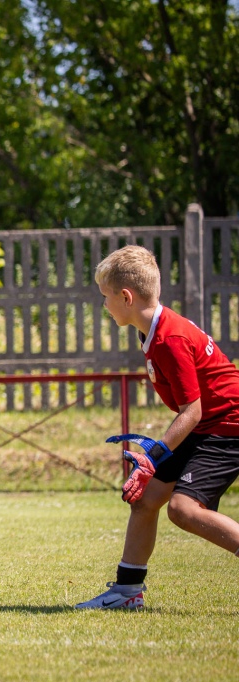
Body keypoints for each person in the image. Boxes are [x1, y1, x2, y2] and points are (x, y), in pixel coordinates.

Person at [77, 245, 239, 610]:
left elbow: (192, 411)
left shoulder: (169, 339)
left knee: (183, 510)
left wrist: (154, 455)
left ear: (126, 297)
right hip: (207, 424)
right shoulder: (154, 331)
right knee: (145, 500)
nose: (105, 305)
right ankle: (126, 592)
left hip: (229, 426)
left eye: (106, 297)